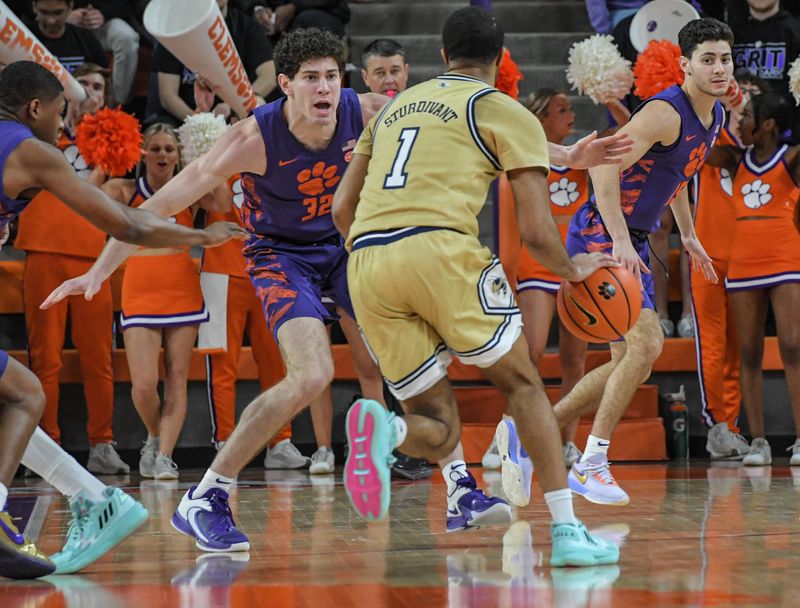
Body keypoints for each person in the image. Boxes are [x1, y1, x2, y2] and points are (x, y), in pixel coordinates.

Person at [46, 26, 633, 545]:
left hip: (349, 247)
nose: (324, 88)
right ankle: (208, 495)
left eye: (331, 76)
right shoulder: (252, 137)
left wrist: (566, 155)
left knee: (419, 356)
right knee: (313, 374)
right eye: (310, 79)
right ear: (287, 87)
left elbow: (481, 129)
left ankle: (460, 490)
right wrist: (100, 270)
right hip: (281, 256)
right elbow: (159, 206)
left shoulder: (372, 109)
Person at [332, 6, 622, 567]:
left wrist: (377, 256)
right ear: (499, 57)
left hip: (366, 260)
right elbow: (537, 233)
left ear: (442, 57)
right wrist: (573, 268)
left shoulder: (392, 112)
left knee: (438, 425)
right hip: (440, 248)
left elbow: (344, 206)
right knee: (523, 385)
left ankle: (387, 430)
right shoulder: (503, 109)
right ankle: (565, 531)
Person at [0, 60, 244, 579]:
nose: (61, 128)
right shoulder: (27, 149)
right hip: (153, 274)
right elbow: (128, 223)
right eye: (60, 115)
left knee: (11, 394)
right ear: (35, 108)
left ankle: (91, 497)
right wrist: (200, 237)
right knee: (23, 393)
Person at [549, 18, 728, 505]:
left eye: (724, 58)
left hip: (632, 235)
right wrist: (620, 238)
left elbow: (678, 172)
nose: (718, 68)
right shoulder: (663, 113)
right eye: (707, 59)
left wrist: (688, 235)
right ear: (686, 65)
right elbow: (605, 162)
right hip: (601, 230)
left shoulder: (715, 117)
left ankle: (532, 433)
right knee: (647, 345)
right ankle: (591, 463)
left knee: (633, 361)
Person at [14, 63, 128, 475]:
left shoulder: (113, 140)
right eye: (83, 88)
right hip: (42, 251)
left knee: (99, 358)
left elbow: (107, 194)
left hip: (91, 259)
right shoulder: (38, 134)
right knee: (45, 359)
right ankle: (47, 448)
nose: (90, 95)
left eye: (98, 88)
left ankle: (102, 443)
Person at [101, 123, 211, 480]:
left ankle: (164, 455)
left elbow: (223, 200)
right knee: (145, 384)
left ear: (179, 156)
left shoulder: (190, 192)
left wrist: (206, 149)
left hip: (182, 289)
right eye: (156, 148)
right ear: (142, 152)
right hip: (139, 290)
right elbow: (84, 201)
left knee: (177, 379)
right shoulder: (123, 190)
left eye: (170, 149)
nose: (163, 155)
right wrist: (103, 159)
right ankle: (154, 434)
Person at [487, 89, 589, 472]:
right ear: (541, 118)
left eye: (571, 108)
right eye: (562, 109)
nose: (571, 114)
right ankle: (507, 438)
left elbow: (625, 139)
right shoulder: (526, 162)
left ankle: (567, 444)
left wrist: (612, 98)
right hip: (535, 271)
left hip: (575, 269)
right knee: (529, 355)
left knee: (575, 362)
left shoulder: (582, 157)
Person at [707, 91, 800, 466]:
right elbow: (695, 148)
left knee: (793, 347)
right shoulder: (733, 159)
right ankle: (759, 440)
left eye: (746, 117)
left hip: (785, 259)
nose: (739, 123)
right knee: (748, 352)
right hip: (743, 264)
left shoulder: (791, 158)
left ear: (768, 125)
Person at [693, 71, 769, 459]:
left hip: (745, 254)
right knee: (712, 343)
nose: (744, 109)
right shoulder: (707, 130)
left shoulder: (766, 148)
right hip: (706, 251)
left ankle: (734, 426)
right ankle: (718, 427)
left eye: (751, 104)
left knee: (740, 346)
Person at [148, 0, 276, 125]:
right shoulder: (176, 30)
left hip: (239, 117)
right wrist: (202, 123)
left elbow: (269, 75)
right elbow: (168, 96)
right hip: (189, 119)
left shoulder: (246, 26)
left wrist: (234, 106)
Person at [67, 1, 140, 105]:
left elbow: (130, 4)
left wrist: (104, 14)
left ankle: (116, 105)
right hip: (64, 19)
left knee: (126, 38)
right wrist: (65, 14)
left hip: (105, 20)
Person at [28, 0, 109, 73]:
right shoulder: (22, 36)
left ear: (70, 7)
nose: (51, 21)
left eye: (58, 13)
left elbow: (103, 76)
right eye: (44, 12)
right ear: (34, 7)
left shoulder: (86, 39)